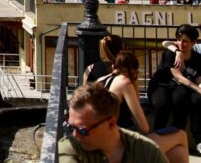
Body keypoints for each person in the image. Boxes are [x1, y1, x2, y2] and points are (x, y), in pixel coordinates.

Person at [97, 51, 188, 162]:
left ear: (113, 66)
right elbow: (144, 127)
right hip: (123, 145)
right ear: (134, 72)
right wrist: (133, 83)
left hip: (105, 144)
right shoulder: (124, 82)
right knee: (181, 135)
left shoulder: (100, 81)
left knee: (176, 152)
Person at [57, 83, 168, 162]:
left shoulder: (146, 151)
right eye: (71, 126)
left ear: (111, 124)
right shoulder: (69, 147)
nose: (75, 134)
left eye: (83, 130)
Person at [149, 24, 201, 153]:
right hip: (162, 84)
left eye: (185, 41)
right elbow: (178, 76)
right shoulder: (171, 53)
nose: (181, 44)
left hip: (179, 87)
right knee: (161, 103)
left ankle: (178, 138)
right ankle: (157, 140)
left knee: (182, 99)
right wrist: (177, 51)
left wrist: (199, 87)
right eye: (179, 40)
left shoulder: (197, 58)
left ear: (193, 43)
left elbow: (199, 78)